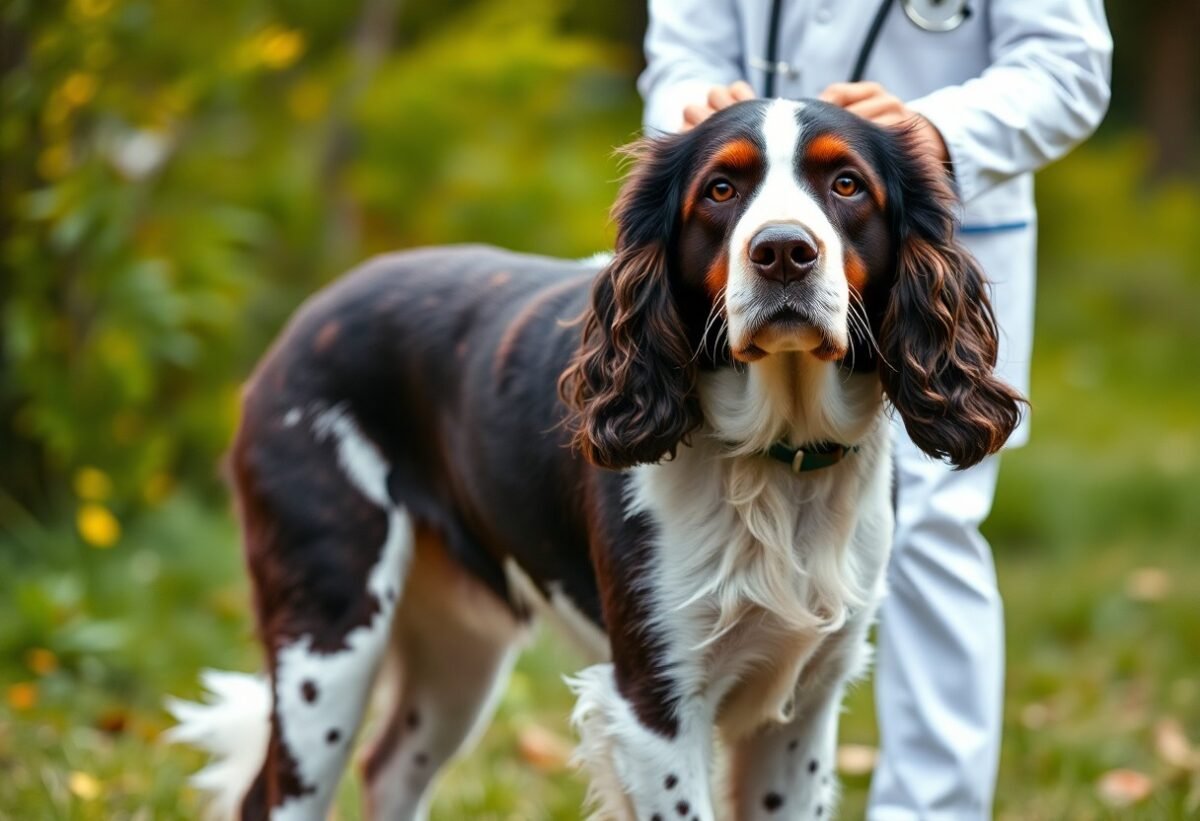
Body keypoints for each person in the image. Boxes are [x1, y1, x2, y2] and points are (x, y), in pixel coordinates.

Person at [638, 1, 1112, 818]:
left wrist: (938, 134)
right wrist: (700, 113)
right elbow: (679, 56)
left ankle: (934, 810)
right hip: (733, 270)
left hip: (917, 247)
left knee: (931, 521)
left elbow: (1068, 65)